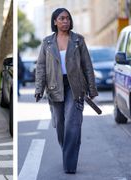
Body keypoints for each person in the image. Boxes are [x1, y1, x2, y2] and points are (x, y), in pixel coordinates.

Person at [35, 8, 98, 174]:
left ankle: (69, 165)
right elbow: (41, 66)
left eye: (67, 19)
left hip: (75, 86)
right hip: (55, 87)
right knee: (61, 125)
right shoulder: (47, 43)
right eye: (61, 18)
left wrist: (92, 88)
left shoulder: (78, 40)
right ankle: (67, 151)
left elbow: (87, 65)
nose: (65, 21)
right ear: (54, 21)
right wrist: (39, 89)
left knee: (72, 124)